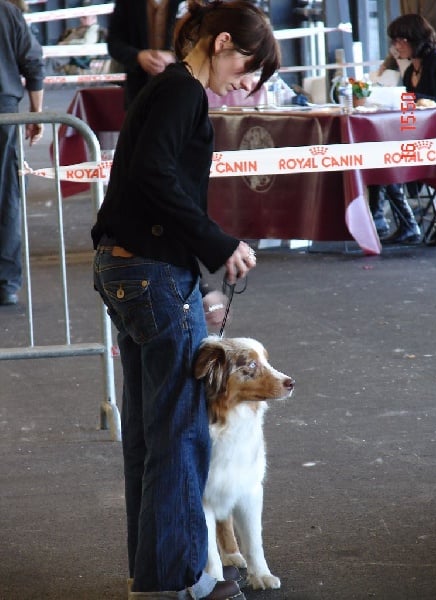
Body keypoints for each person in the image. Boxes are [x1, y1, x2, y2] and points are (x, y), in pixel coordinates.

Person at [91, 1, 280, 598]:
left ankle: (151, 577)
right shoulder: (183, 92)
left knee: (152, 436)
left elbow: (150, 182)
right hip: (151, 275)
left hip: (129, 268)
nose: (246, 86)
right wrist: (218, 244)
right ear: (222, 43)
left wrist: (200, 275)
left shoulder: (167, 88)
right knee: (180, 435)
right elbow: (156, 179)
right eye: (248, 68)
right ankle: (184, 582)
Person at [387, 13, 436, 245]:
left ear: (416, 39)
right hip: (420, 138)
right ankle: (405, 222)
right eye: (394, 40)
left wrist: (419, 100)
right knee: (383, 161)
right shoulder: (408, 72)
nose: (397, 46)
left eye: (401, 40)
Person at [0, 0, 44, 306]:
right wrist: (37, 112)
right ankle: (5, 282)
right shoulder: (7, 12)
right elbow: (33, 61)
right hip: (4, 111)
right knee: (7, 194)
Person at [106, 0, 185, 108]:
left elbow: (201, 41)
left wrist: (175, 57)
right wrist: (138, 56)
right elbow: (114, 43)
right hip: (138, 94)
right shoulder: (126, 2)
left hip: (182, 91)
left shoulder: (191, 2)